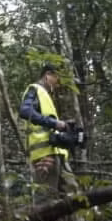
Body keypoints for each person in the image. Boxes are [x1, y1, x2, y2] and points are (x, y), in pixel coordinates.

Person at [19, 64, 78, 197]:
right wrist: (54, 123)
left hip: (57, 154)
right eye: (57, 78)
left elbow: (48, 124)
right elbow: (25, 111)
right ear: (48, 75)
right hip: (44, 155)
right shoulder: (34, 89)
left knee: (74, 195)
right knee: (46, 198)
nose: (58, 83)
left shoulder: (45, 96)